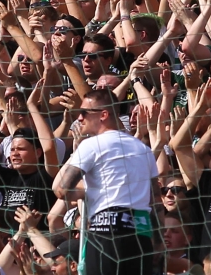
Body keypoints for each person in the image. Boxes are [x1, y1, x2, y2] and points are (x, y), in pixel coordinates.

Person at [53, 89, 159, 275]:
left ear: (103, 114)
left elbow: (61, 189)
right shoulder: (143, 149)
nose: (79, 118)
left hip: (106, 234)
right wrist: (157, 244)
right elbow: (155, 201)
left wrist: (90, 189)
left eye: (84, 112)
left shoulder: (92, 144)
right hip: (141, 237)